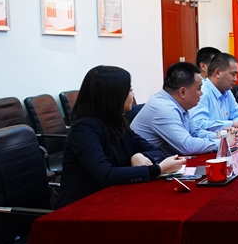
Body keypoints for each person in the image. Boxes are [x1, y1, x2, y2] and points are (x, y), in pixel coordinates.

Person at [56, 66, 186, 208]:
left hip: (115, 197)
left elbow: (157, 151)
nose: (133, 95)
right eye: (129, 90)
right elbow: (105, 174)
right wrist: (158, 169)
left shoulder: (117, 122)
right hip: (83, 206)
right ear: (113, 94)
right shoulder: (84, 129)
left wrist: (139, 155)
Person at [131, 62, 238, 156]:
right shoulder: (163, 109)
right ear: (182, 92)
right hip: (148, 166)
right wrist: (223, 142)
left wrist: (222, 136)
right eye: (199, 88)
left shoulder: (177, 104)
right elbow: (187, 146)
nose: (201, 93)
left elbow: (195, 132)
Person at [191, 52, 238, 134]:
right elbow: (198, 124)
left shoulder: (227, 91)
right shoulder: (201, 92)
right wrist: (232, 124)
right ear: (218, 73)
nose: (236, 79)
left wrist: (232, 127)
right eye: (233, 74)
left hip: (228, 138)